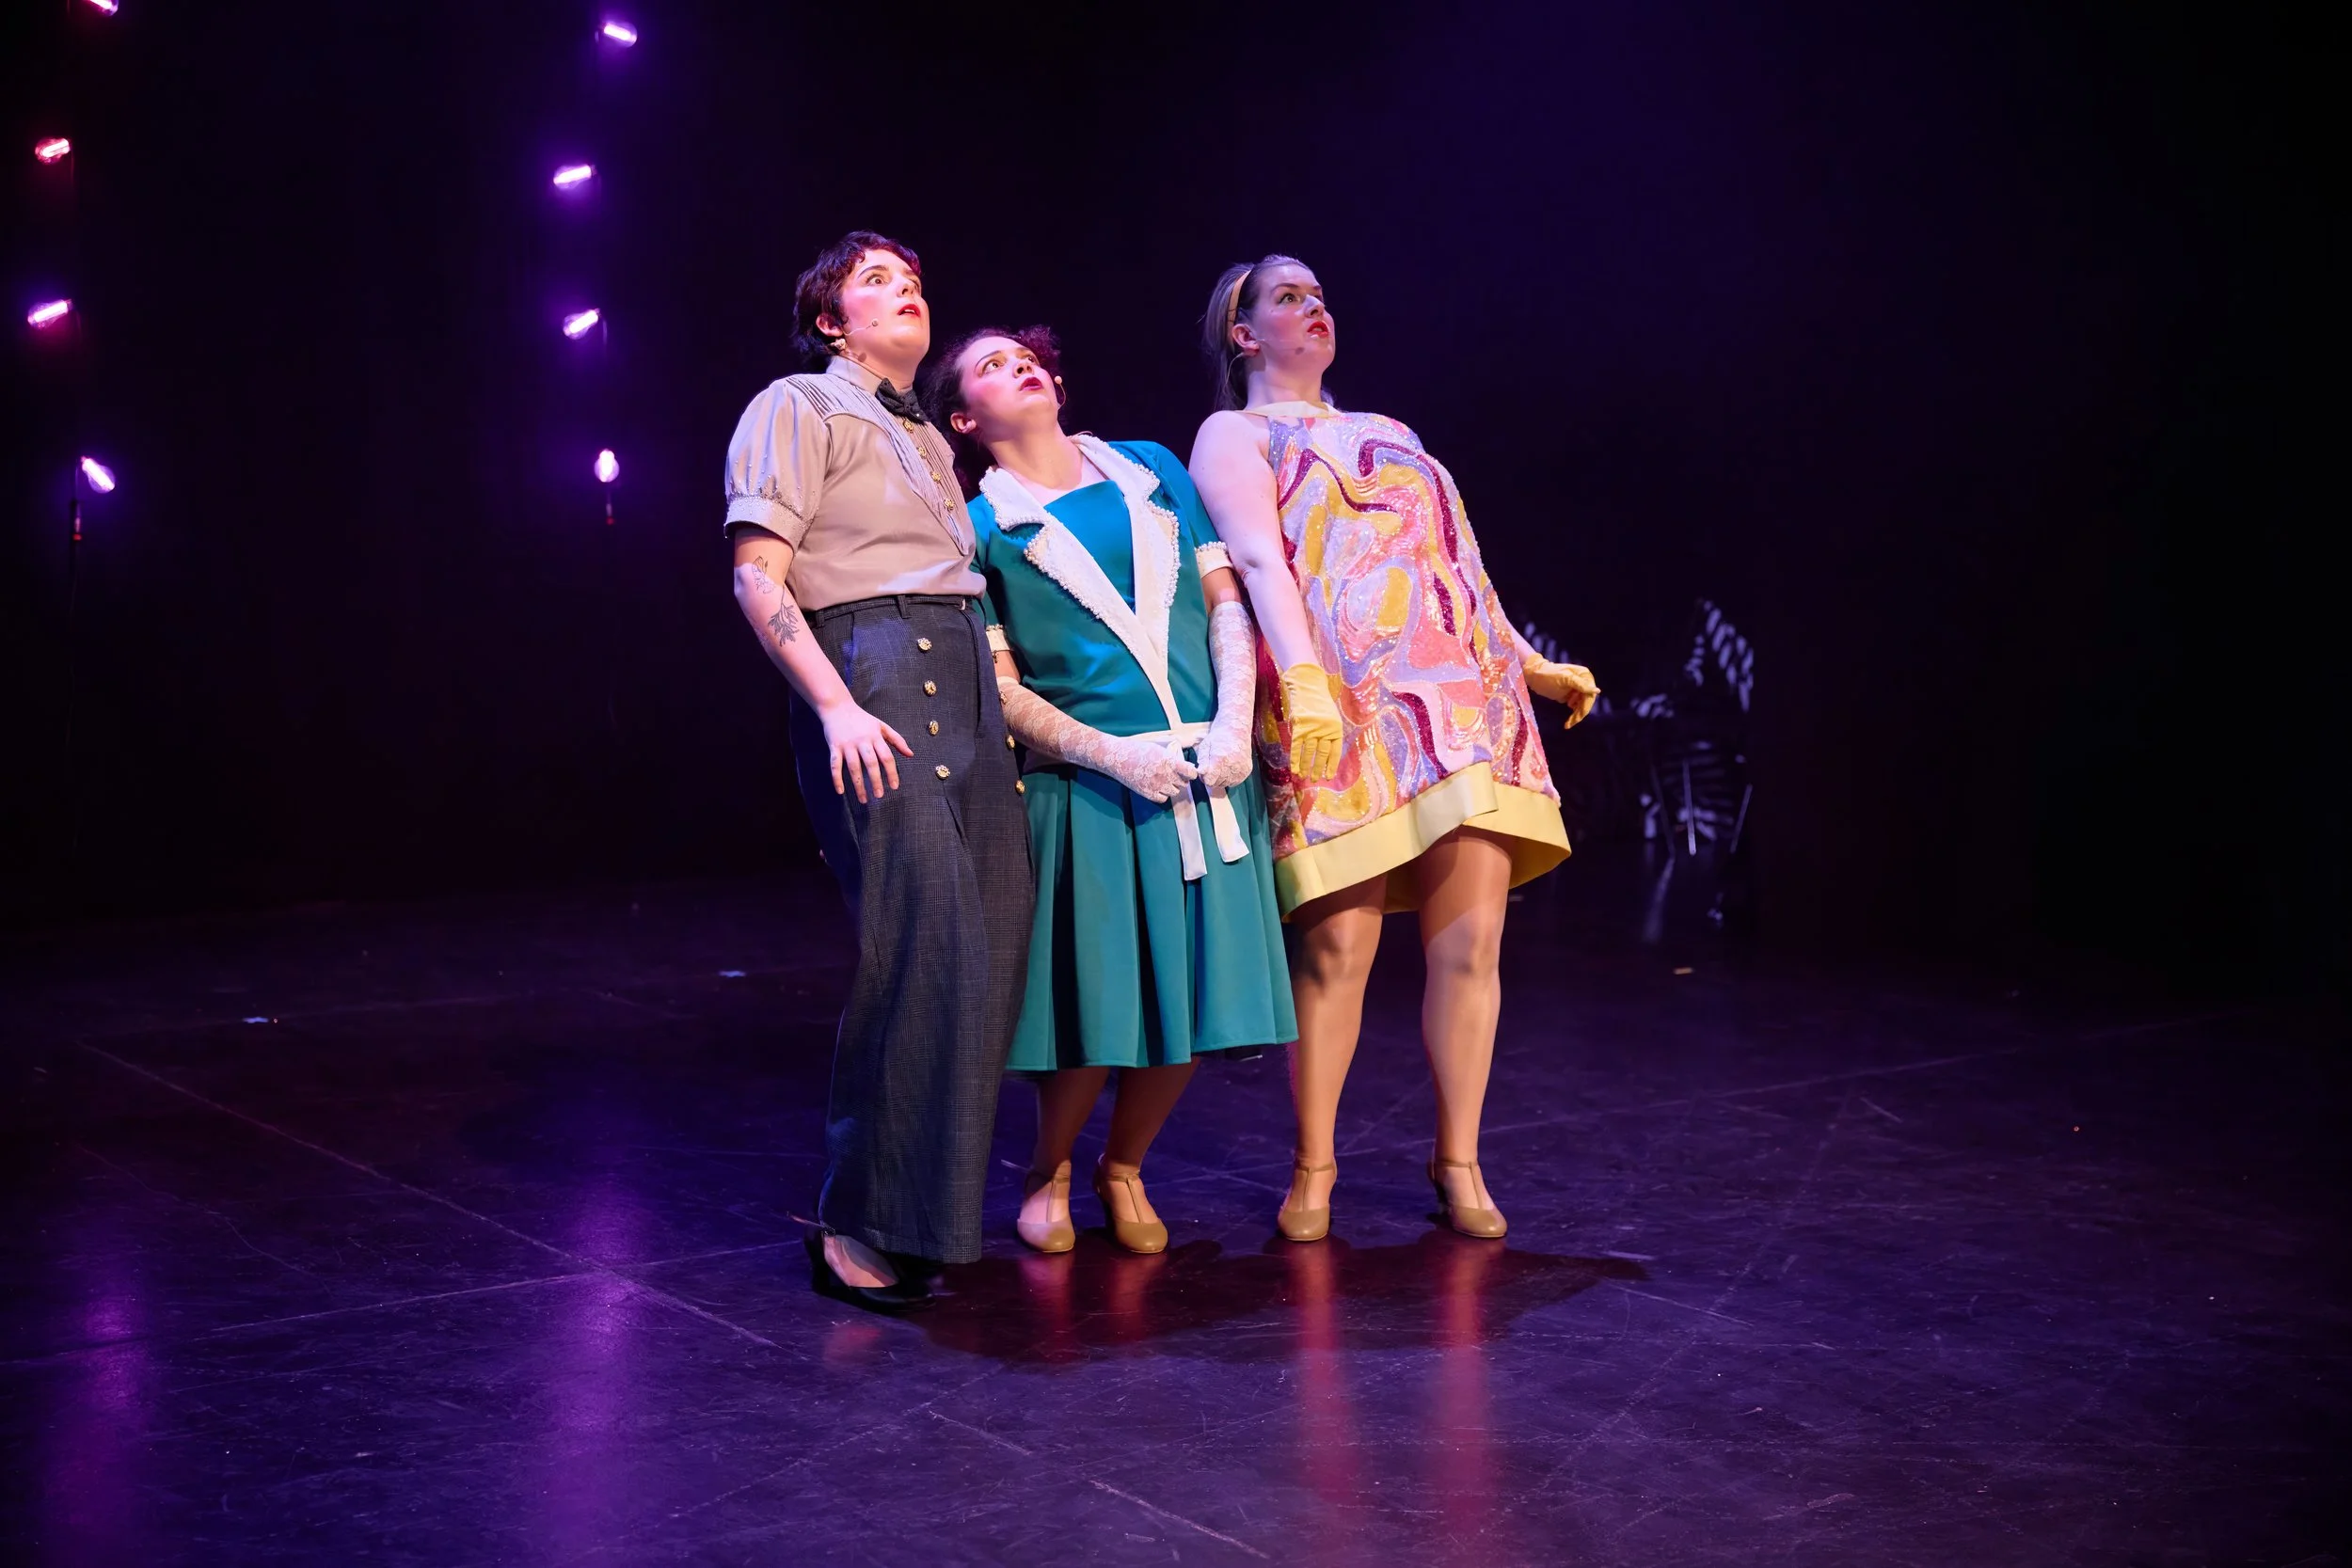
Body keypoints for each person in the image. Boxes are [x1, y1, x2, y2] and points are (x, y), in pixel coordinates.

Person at [1187, 254, 1601, 1243]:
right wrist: (1301, 678)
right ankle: (1314, 1163)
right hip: (1342, 702)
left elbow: (1453, 564)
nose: (1314, 306)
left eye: (1320, 293)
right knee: (1338, 944)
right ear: (1243, 333)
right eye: (1288, 297)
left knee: (1471, 945)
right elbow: (1253, 557)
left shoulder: (1392, 433)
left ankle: (1457, 1157)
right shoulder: (1232, 432)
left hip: (1460, 705)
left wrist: (1530, 662)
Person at [918, 325, 1322, 1254]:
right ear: (963, 417)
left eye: (1022, 353)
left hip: (1206, 774)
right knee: (1099, 1009)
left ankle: (1125, 1165)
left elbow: (1226, 600)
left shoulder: (1148, 466)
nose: (1017, 363)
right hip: (1089, 788)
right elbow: (1004, 689)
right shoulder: (978, 528)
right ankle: (1049, 1165)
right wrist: (1109, 753)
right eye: (988, 365)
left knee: (1188, 1002)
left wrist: (1230, 724)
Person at [722, 232, 1033, 1311]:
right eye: (874, 280)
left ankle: (929, 1221)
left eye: (913, 275)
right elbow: (759, 575)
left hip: (961, 673)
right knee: (921, 944)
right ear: (829, 320)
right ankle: (855, 1221)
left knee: (988, 946)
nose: (905, 288)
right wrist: (836, 703)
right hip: (875, 670)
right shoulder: (797, 405)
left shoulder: (935, 445)